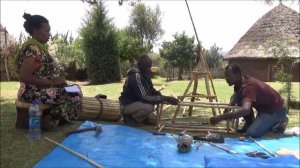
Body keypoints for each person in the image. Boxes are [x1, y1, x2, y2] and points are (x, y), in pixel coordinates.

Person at [14, 13, 83, 130]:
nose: (49, 35)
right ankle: (50, 119)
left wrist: (59, 80)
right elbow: (24, 76)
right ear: (35, 30)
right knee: (73, 93)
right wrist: (52, 82)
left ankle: (52, 118)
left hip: (42, 90)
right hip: (31, 93)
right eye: (46, 31)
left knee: (75, 89)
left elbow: (42, 71)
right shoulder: (33, 49)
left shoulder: (39, 48)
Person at [210, 64, 288, 138]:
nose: (226, 78)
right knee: (238, 99)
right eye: (225, 76)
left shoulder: (248, 86)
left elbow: (245, 110)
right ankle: (249, 123)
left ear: (237, 75)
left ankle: (279, 123)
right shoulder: (240, 82)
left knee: (252, 133)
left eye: (228, 76)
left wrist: (221, 117)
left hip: (276, 110)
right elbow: (236, 96)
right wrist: (229, 106)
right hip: (264, 110)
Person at [119, 54, 178, 126]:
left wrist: (163, 97)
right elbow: (144, 97)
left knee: (154, 119)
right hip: (127, 105)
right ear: (140, 65)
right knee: (149, 107)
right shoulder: (136, 76)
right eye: (146, 66)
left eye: (149, 66)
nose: (148, 68)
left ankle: (141, 118)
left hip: (137, 103)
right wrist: (164, 98)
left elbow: (151, 90)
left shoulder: (144, 74)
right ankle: (131, 119)